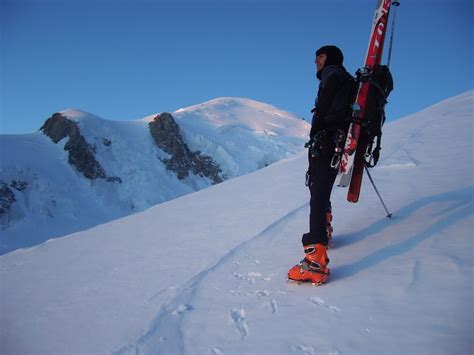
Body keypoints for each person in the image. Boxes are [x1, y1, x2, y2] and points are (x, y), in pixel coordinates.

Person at [288, 45, 354, 285]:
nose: (316, 61)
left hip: (328, 142)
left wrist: (319, 128)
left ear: (331, 58)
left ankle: (315, 262)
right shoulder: (342, 78)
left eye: (320, 56)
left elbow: (328, 102)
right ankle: (324, 231)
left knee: (317, 194)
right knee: (319, 189)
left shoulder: (333, 73)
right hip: (334, 141)